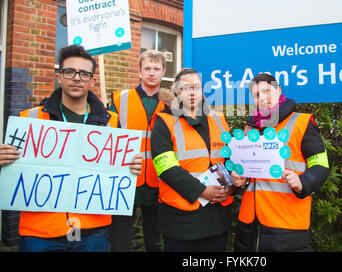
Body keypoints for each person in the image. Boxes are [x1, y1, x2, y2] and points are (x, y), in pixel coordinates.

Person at [0, 44, 143, 252]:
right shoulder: (29, 118)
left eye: (84, 74)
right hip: (41, 232)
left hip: (92, 231)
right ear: (59, 76)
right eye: (70, 72)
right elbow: (13, 172)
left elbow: (118, 172)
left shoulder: (111, 122)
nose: (77, 78)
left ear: (92, 81)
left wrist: (131, 167)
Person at [231, 73, 330, 252]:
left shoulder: (301, 122)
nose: (262, 98)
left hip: (286, 223)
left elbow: (321, 165)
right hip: (248, 224)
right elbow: (248, 172)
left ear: (278, 90)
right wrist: (240, 178)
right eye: (257, 95)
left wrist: (303, 182)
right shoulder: (248, 128)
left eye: (267, 91)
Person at [151, 68, 234, 252]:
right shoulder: (164, 122)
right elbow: (165, 167)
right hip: (181, 220)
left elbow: (230, 158)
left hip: (216, 217)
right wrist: (201, 191)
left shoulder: (218, 119)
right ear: (177, 92)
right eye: (185, 88)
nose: (192, 92)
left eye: (196, 87)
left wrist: (233, 185)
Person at [109, 50, 166, 251]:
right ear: (139, 71)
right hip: (126, 179)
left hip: (158, 180)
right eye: (147, 68)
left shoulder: (171, 104)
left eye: (156, 69)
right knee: (120, 240)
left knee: (155, 242)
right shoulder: (119, 99)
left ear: (163, 72)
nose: (152, 73)